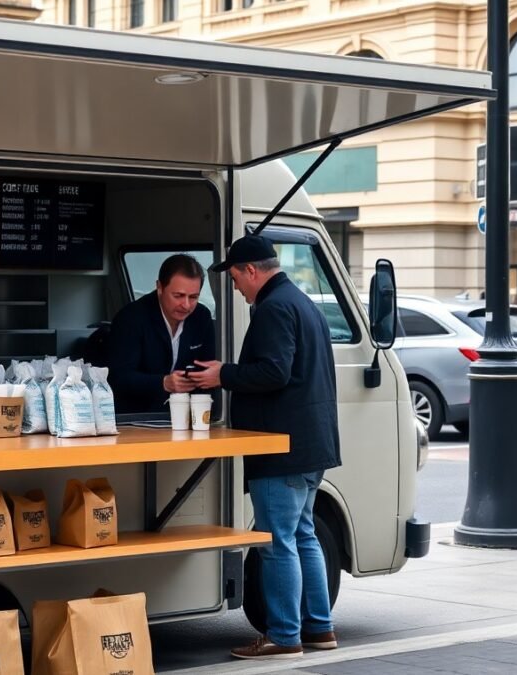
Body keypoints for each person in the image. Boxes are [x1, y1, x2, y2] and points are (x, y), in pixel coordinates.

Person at [188, 234, 341, 660]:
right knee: (304, 536)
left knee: (277, 542)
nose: (235, 288)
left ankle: (284, 636)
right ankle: (319, 628)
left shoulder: (273, 308)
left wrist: (225, 374)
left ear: (252, 271)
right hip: (311, 443)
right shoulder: (303, 302)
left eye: (236, 279)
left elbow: (274, 372)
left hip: (281, 447)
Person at [107, 254, 216, 414]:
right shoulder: (131, 318)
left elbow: (207, 367)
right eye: (178, 296)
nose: (186, 305)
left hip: (185, 416)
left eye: (193, 297)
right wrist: (163, 383)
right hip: (134, 419)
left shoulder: (201, 317)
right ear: (159, 287)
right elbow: (118, 378)